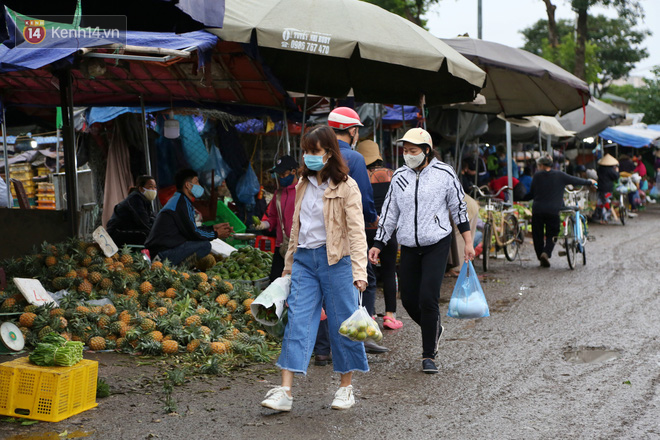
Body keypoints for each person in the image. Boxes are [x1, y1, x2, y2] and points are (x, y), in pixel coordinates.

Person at [260, 125, 369, 412]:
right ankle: (285, 390)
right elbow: (296, 229)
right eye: (306, 151)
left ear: (329, 153)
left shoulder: (347, 186)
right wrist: (288, 266)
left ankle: (345, 388)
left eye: (314, 151)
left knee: (341, 323)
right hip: (305, 262)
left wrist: (360, 272)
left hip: (337, 262)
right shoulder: (302, 184)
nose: (308, 156)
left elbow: (357, 233)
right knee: (297, 322)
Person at [368, 128, 474, 374]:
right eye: (405, 151)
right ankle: (434, 327)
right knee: (408, 299)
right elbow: (390, 213)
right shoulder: (399, 177)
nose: (408, 155)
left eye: (413, 151)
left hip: (437, 243)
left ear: (426, 150)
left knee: (428, 298)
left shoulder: (444, 173)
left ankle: (428, 355)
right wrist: (378, 243)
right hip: (408, 247)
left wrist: (468, 242)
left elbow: (459, 208)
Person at [316, 107, 387, 356]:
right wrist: (372, 219)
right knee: (365, 281)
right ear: (353, 131)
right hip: (347, 234)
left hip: (319, 235)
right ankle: (362, 337)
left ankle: (323, 349)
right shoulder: (354, 159)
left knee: (326, 288)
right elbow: (364, 199)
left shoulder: (319, 156)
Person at [145, 169, 232, 267]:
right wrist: (216, 233)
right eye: (196, 182)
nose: (199, 185)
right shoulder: (181, 203)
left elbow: (190, 230)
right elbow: (194, 233)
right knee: (204, 246)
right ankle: (174, 269)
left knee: (202, 242)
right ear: (188, 185)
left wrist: (213, 228)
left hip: (162, 250)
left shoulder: (180, 200)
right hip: (162, 254)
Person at [356, 140, 401, 330]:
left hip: (365, 231)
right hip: (388, 230)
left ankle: (370, 314)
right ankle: (390, 316)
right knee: (390, 271)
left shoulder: (358, 176)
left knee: (368, 273)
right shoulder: (392, 174)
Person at [523, 154, 596, 267]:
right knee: (553, 232)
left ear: (541, 165)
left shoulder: (537, 176)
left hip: (538, 210)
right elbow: (575, 180)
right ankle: (546, 253)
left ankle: (540, 255)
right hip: (553, 210)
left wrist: (520, 197)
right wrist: (589, 182)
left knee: (537, 234)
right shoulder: (560, 175)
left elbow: (531, 194)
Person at [256, 155, 298, 282]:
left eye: (284, 174)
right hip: (281, 245)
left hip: (298, 246)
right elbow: (273, 217)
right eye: (279, 175)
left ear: (293, 171)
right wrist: (265, 225)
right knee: (275, 281)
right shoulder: (278, 194)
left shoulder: (302, 191)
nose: (281, 178)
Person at [106, 175, 157, 246]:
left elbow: (152, 217)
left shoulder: (145, 201)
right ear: (141, 188)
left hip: (128, 230)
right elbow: (144, 223)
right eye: (150, 187)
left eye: (155, 187)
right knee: (147, 234)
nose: (154, 190)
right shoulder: (135, 199)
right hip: (117, 234)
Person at [595, 154, 620, 224]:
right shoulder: (610, 170)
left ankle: (599, 217)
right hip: (607, 188)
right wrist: (616, 171)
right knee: (607, 202)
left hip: (600, 187)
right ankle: (605, 218)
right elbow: (616, 177)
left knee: (600, 202)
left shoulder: (599, 169)